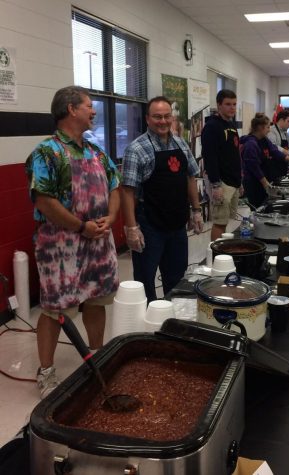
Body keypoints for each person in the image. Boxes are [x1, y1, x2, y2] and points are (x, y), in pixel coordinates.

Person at [25, 86, 121, 398]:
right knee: (55, 309)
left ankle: (97, 357)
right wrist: (81, 227)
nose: (94, 112)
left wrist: (111, 216)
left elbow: (116, 186)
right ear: (71, 109)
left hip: (98, 242)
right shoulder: (46, 153)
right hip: (61, 248)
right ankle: (46, 371)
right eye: (89, 106)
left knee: (97, 299)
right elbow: (44, 201)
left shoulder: (96, 152)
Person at [121, 96, 203, 302]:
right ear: (148, 119)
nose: (163, 121)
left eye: (167, 116)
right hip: (149, 226)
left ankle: (172, 320)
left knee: (176, 278)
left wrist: (196, 210)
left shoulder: (181, 143)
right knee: (145, 279)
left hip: (177, 225)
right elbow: (127, 191)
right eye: (157, 117)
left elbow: (190, 177)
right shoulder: (136, 149)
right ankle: (148, 325)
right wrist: (131, 228)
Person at [201, 89, 243, 241]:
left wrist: (239, 181)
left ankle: (223, 250)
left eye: (234, 104)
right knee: (219, 223)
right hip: (221, 182)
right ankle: (217, 255)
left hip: (233, 181)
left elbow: (234, 155)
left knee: (226, 221)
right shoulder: (212, 127)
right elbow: (209, 157)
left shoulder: (230, 125)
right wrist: (215, 184)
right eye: (227, 104)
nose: (232, 107)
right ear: (219, 105)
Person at [241, 113, 289, 207]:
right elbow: (254, 166)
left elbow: (276, 152)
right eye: (267, 127)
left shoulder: (264, 140)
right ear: (260, 128)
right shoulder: (251, 144)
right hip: (253, 182)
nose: (269, 130)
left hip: (263, 180)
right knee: (257, 208)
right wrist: (265, 183)